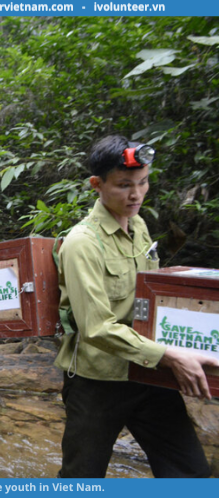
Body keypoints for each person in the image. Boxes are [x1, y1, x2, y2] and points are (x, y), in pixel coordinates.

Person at [55, 135, 219, 478]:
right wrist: (174, 357)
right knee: (82, 479)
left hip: (149, 372)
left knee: (191, 474)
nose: (136, 194)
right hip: (97, 380)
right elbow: (97, 328)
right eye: (124, 185)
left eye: (143, 183)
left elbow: (154, 299)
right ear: (96, 185)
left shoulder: (140, 227)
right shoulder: (81, 243)